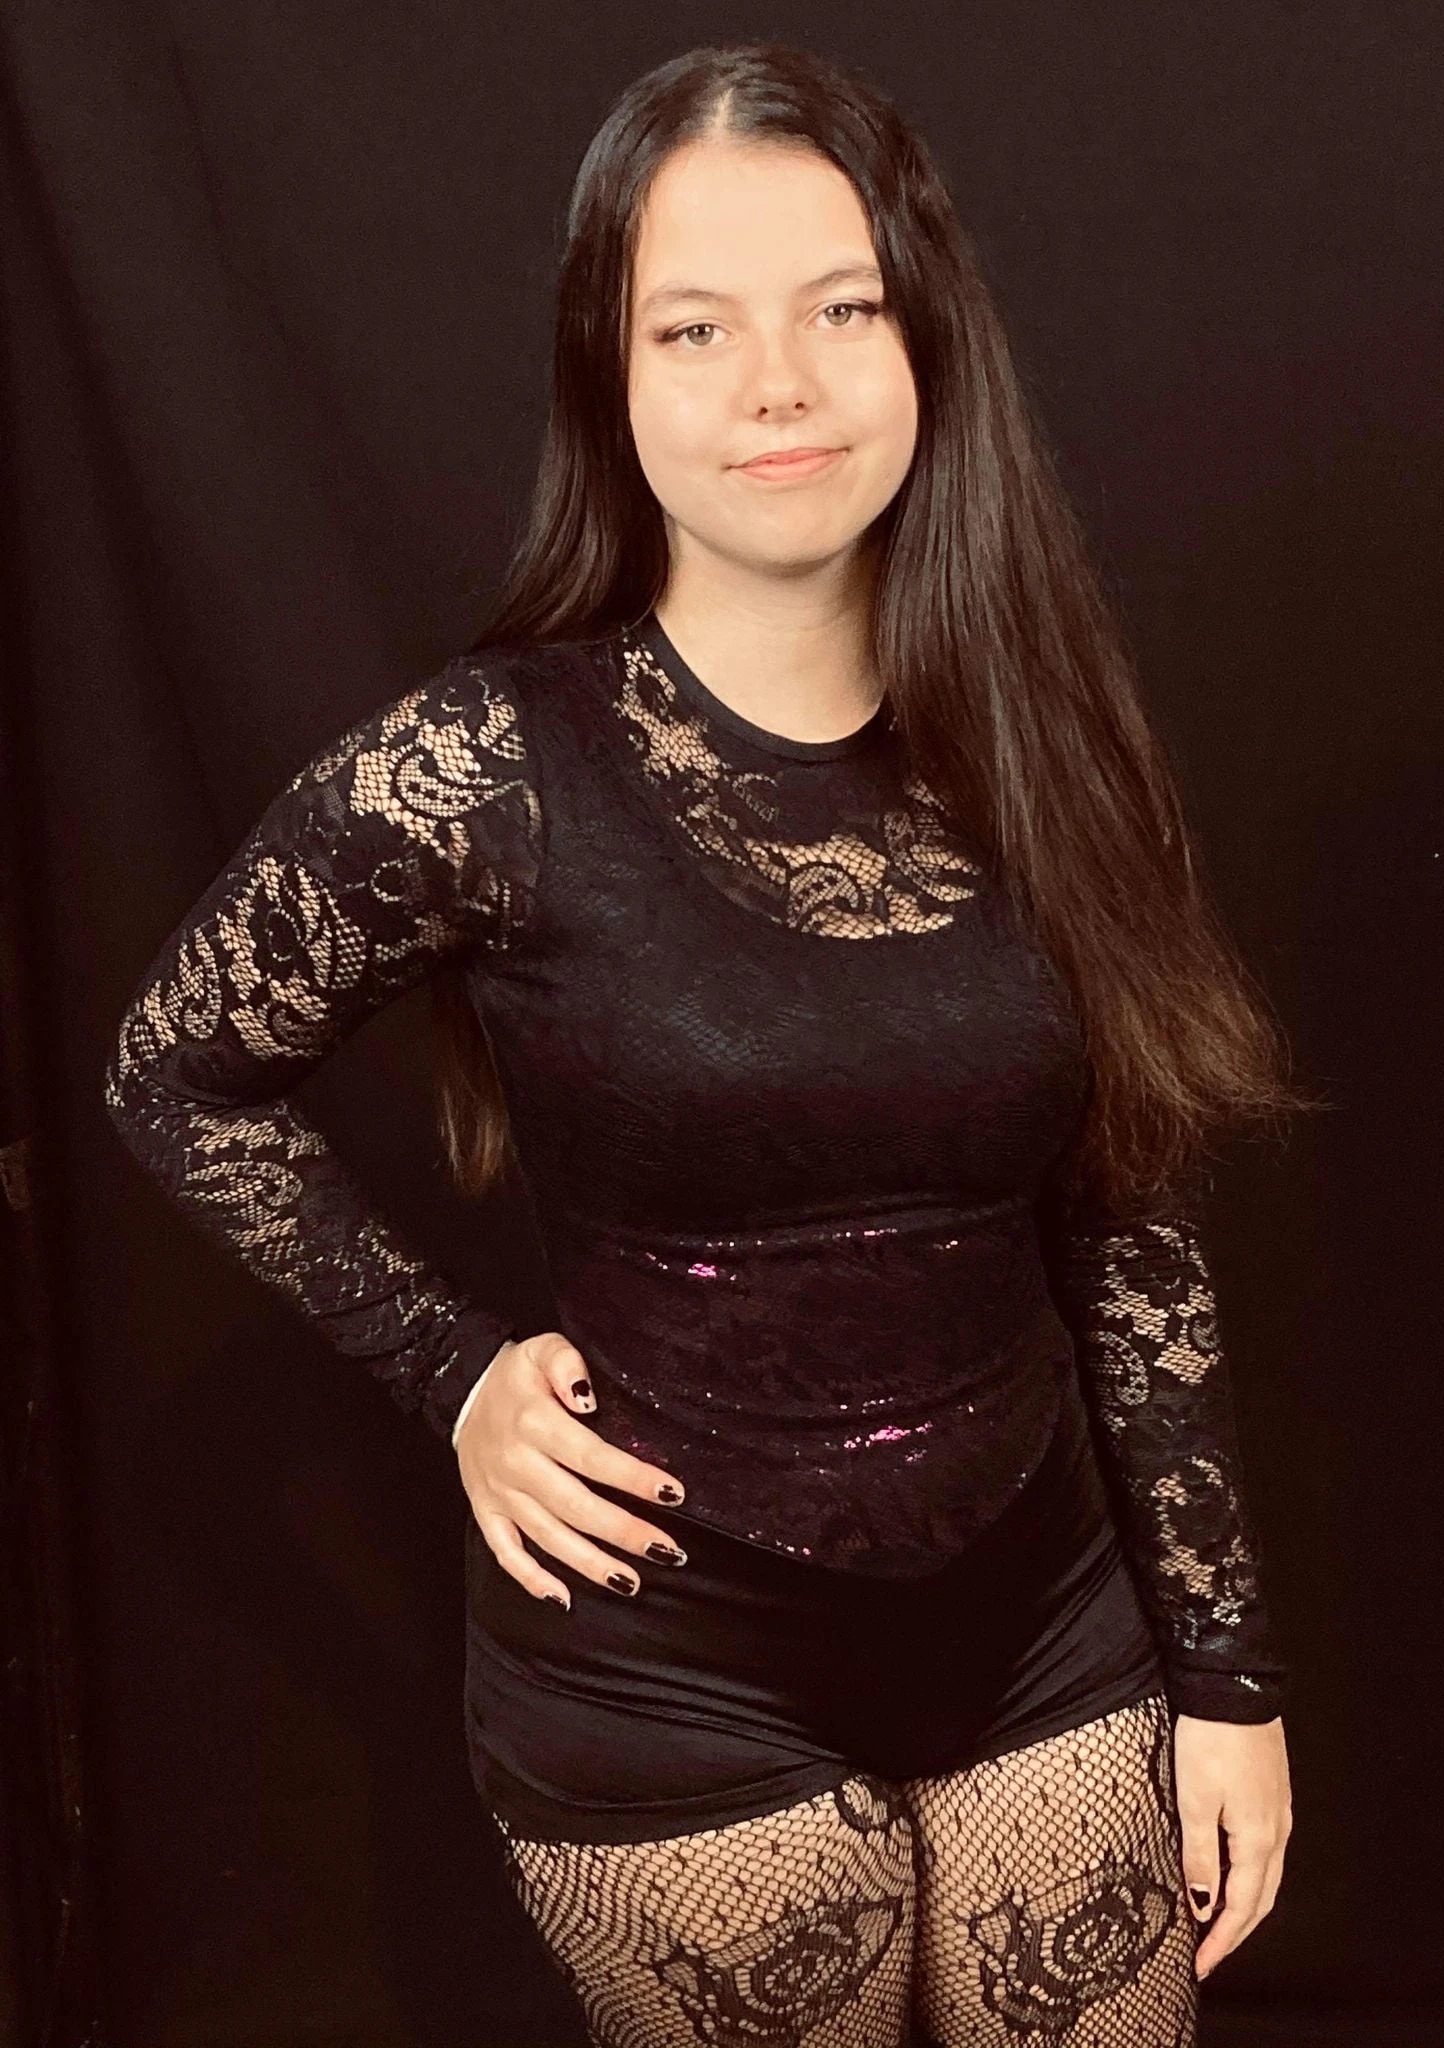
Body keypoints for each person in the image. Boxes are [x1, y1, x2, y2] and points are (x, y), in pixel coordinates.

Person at [103, 38, 1305, 2048]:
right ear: (612, 375)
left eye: (842, 308)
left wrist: (1230, 1674)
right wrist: (455, 1373)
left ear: (928, 343)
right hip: (666, 1676)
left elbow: (1133, 1228)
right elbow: (173, 1071)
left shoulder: (1062, 747)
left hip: (1052, 1633)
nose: (779, 384)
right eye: (697, 326)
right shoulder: (482, 768)